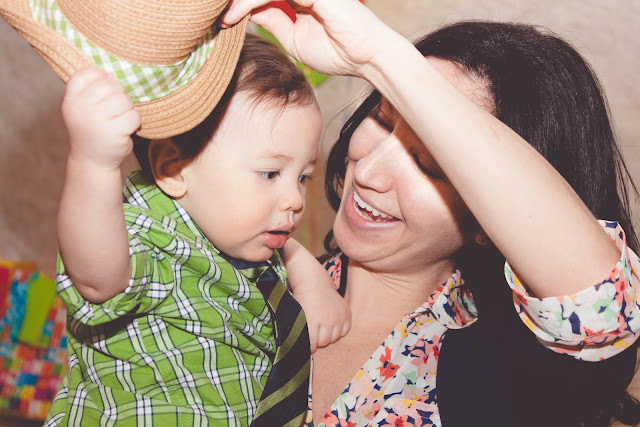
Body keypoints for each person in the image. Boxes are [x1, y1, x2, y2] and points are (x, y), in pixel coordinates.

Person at [223, 1, 640, 426]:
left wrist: (379, 55)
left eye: (429, 165)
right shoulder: (246, 281)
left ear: (489, 218)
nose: (367, 172)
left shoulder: (501, 369)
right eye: (382, 120)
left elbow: (604, 307)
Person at [46, 33, 349, 426]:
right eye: (270, 173)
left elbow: (285, 252)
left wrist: (314, 283)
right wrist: (93, 164)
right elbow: (96, 278)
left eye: (303, 177)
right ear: (174, 169)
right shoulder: (153, 235)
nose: (294, 199)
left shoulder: (242, 238)